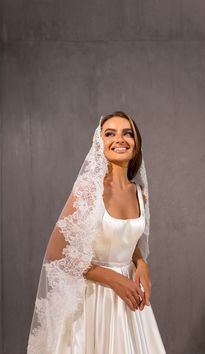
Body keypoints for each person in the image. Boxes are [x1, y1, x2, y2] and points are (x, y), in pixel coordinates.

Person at [27, 111, 166, 354]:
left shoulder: (139, 193)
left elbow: (122, 235)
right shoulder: (89, 191)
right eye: (109, 133)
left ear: (136, 144)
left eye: (127, 133)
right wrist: (114, 280)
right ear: (98, 144)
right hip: (95, 300)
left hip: (129, 301)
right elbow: (57, 253)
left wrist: (140, 261)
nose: (119, 139)